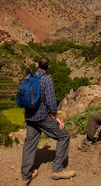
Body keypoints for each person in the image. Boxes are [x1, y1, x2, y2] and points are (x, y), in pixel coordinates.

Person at [21, 56, 75, 184]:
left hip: (29, 116)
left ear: (37, 65)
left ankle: (26, 175)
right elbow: (51, 102)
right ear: (48, 67)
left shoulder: (28, 77)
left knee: (29, 144)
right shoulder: (47, 80)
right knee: (64, 136)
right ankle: (57, 169)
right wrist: (57, 118)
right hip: (41, 117)